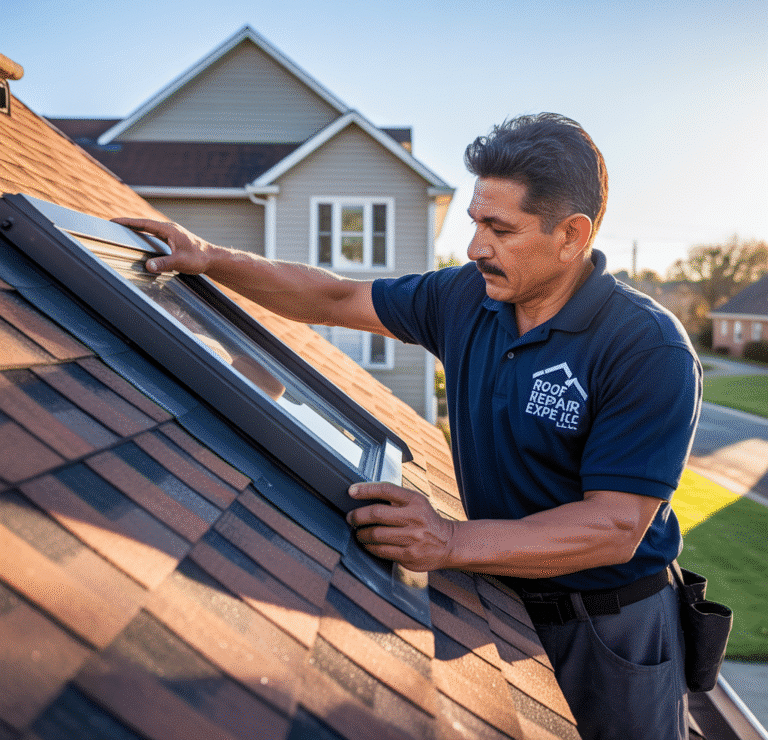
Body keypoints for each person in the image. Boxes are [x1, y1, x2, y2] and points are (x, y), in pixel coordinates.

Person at [113, 112, 701, 740]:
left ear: (571, 235)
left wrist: (449, 542)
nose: (475, 247)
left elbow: (613, 527)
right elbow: (335, 298)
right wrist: (210, 258)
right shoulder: (466, 298)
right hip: (506, 600)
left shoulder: (645, 347)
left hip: (610, 630)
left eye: (500, 229)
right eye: (476, 221)